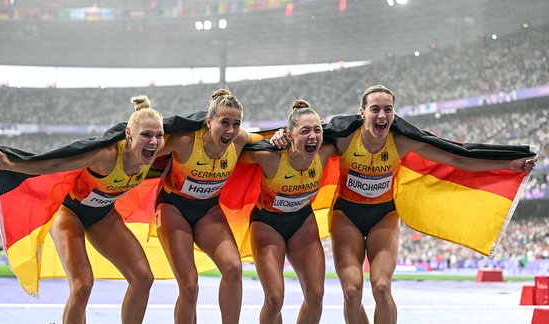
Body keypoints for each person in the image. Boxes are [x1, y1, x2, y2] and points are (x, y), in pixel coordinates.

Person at [270, 84, 537, 324]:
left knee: (382, 288)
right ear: (362, 113)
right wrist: (281, 136)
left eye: (388, 109)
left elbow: (458, 158)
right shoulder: (342, 137)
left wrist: (507, 163)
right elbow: (304, 139)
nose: (382, 116)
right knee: (352, 291)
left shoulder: (401, 140)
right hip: (346, 216)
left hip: (383, 217)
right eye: (375, 109)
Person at [0, 95, 166, 324]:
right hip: (69, 213)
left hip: (103, 216)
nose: (154, 142)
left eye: (159, 135)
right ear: (128, 134)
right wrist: (12, 164)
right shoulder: (106, 156)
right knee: (82, 285)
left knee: (143, 278)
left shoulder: (157, 151)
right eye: (146, 135)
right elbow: (57, 163)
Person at [154, 88, 250, 324]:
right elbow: (143, 148)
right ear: (208, 122)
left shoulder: (241, 139)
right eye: (224, 122)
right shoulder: (185, 141)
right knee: (189, 284)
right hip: (172, 208)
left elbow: (270, 143)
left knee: (233, 268)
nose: (230, 130)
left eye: (236, 123)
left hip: (208, 210)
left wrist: (284, 136)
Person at [239, 99, 336, 323]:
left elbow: (354, 132)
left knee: (316, 295)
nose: (313, 137)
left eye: (317, 130)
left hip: (303, 223)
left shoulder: (325, 151)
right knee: (274, 299)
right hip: (267, 225)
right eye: (305, 131)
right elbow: (236, 153)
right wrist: (268, 138)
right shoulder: (271, 156)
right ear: (290, 135)